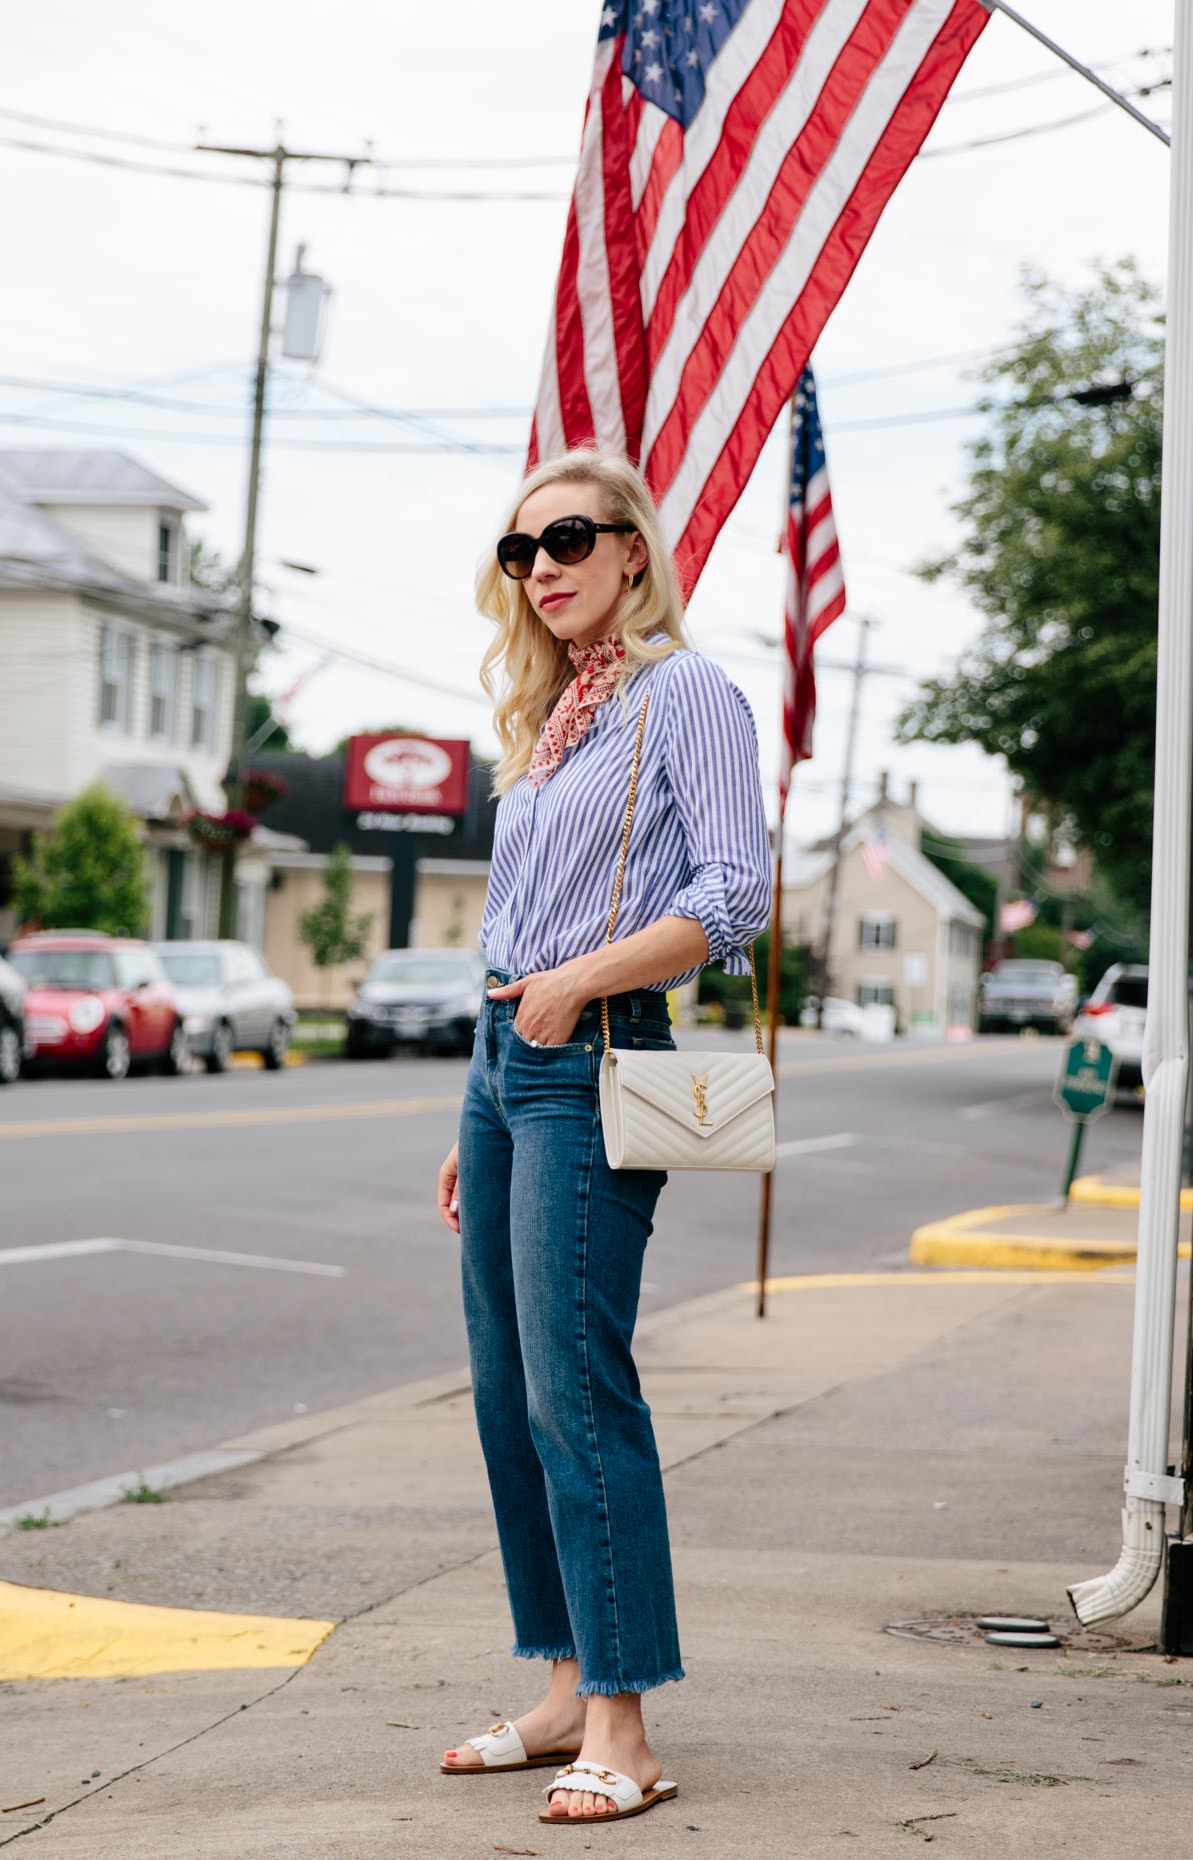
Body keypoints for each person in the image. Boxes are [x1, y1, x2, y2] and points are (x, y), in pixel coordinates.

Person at [436, 447, 771, 1824]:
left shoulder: (683, 690)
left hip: (592, 1053)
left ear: (635, 549)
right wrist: (483, 1092)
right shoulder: (554, 715)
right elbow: (522, 919)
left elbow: (737, 890)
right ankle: (569, 1682)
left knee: (580, 1389)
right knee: (510, 1388)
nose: (545, 565)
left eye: (570, 536)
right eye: (522, 551)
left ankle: (625, 1731)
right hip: (506, 1060)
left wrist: (578, 986)